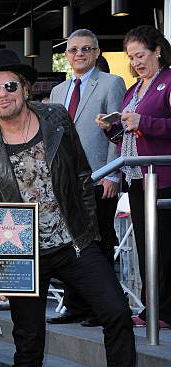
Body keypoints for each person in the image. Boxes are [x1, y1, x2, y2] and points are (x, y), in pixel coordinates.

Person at [0, 49, 150, 367]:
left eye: (10, 85)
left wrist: (88, 234)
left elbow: (83, 176)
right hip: (24, 255)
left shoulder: (55, 120)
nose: (2, 94)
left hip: (75, 244)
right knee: (28, 346)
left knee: (116, 313)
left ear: (24, 88)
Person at [49, 29, 126, 327]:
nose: (79, 54)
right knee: (69, 244)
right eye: (73, 50)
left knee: (100, 242)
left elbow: (116, 133)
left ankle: (103, 308)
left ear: (96, 53)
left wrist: (113, 174)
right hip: (64, 182)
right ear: (66, 55)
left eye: (86, 49)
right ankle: (76, 305)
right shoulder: (59, 91)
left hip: (99, 176)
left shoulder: (111, 83)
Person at [96, 25, 171, 329]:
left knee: (164, 246)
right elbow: (129, 136)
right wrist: (112, 128)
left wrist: (145, 121)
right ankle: (151, 307)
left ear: (157, 51)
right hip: (137, 176)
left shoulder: (168, 80)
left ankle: (165, 311)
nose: (136, 62)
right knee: (145, 244)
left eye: (141, 55)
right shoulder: (134, 88)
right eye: (131, 57)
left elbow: (153, 127)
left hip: (163, 177)